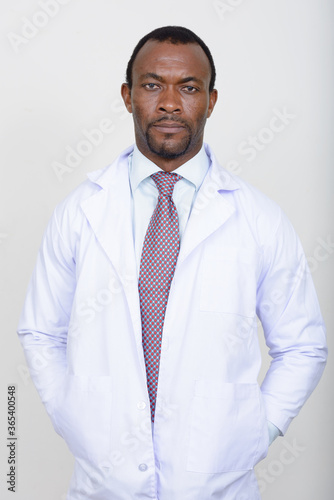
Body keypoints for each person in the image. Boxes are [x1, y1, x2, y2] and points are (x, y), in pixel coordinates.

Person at [17, 26, 327, 500]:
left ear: (211, 99)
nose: (168, 103)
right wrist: (72, 417)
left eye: (188, 88)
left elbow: (302, 345)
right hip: (103, 485)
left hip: (221, 486)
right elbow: (41, 332)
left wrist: (255, 434)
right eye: (151, 84)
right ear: (127, 96)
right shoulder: (80, 211)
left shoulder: (260, 218)